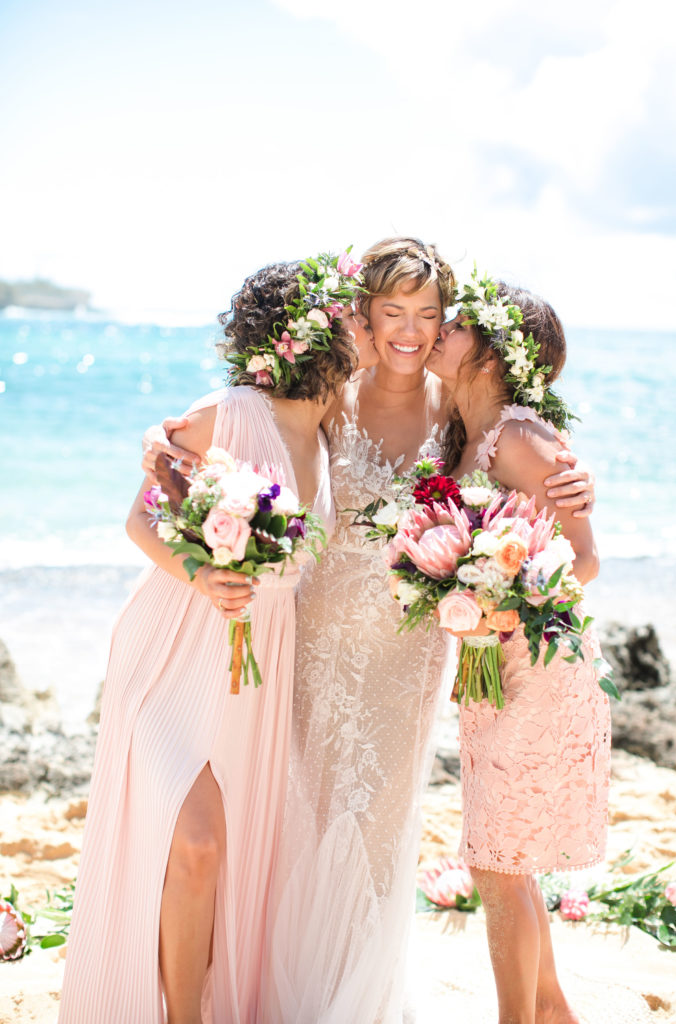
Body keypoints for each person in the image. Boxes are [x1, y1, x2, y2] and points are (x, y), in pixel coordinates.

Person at [144, 238, 596, 1023]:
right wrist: (163, 440)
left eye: (429, 315)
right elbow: (243, 426)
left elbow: (525, 459)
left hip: (404, 653)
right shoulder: (332, 390)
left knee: (376, 828)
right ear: (362, 315)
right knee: (288, 817)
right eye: (392, 311)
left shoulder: (455, 409)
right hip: (307, 640)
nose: (411, 331)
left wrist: (575, 480)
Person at [58, 255, 372, 1024]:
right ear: (314, 333)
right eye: (356, 317)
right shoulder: (226, 413)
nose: (367, 329)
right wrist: (201, 575)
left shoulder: (331, 440)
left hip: (255, 666)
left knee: (219, 858)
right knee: (193, 840)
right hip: (175, 644)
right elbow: (140, 519)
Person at [426, 276, 610, 1024]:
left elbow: (584, 560)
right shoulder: (461, 431)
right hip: (491, 664)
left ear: (496, 348)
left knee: (498, 865)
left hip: (536, 666)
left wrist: (498, 598)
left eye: (457, 323)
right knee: (501, 861)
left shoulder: (521, 436)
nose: (438, 328)